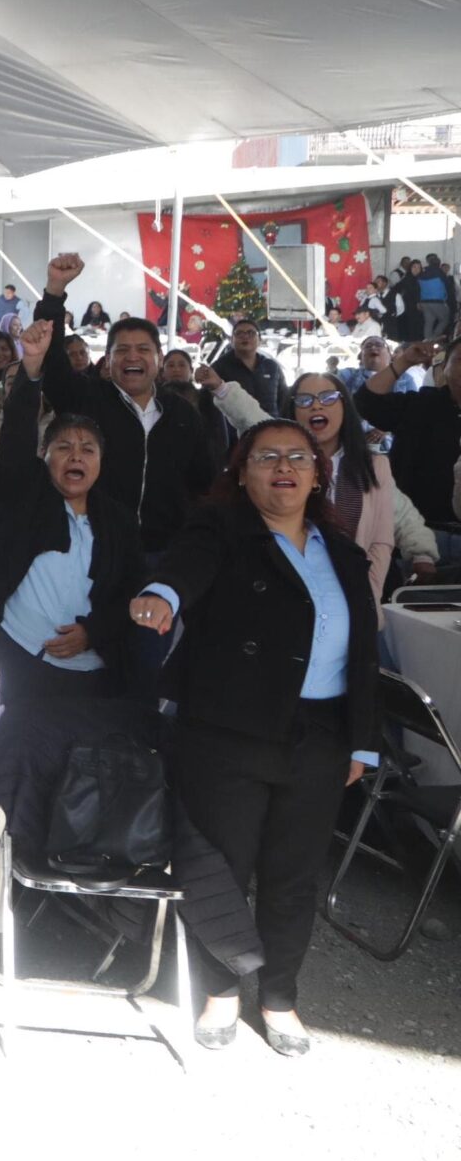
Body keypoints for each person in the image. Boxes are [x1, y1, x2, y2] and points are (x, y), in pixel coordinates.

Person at [129, 419, 380, 1056]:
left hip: (319, 737)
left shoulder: (342, 551)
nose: (284, 468)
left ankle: (280, 996)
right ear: (242, 473)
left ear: (318, 473)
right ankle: (221, 990)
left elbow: (364, 654)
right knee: (221, 866)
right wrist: (163, 593)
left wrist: (363, 740)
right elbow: (186, 566)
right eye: (266, 457)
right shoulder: (221, 530)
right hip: (228, 732)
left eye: (298, 456)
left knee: (294, 876)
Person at [0, 319, 142, 848]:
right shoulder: (23, 499)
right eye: (63, 447)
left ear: (101, 462)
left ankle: (76, 870)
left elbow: (133, 594)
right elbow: (17, 435)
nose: (75, 457)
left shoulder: (118, 520)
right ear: (45, 458)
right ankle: (11, 868)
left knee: (82, 781)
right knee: (19, 773)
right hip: (22, 668)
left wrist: (94, 633)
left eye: (87, 449)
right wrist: (29, 371)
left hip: (94, 679)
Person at [31, 254, 220, 552]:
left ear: (158, 358)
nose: (133, 357)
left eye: (143, 349)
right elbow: (51, 358)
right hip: (94, 549)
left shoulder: (183, 414)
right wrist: (55, 291)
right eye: (123, 350)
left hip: (164, 554)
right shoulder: (86, 399)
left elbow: (204, 484)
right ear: (108, 359)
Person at [206, 367, 429, 603]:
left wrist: (422, 554)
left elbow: (397, 516)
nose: (316, 406)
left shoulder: (371, 467)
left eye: (328, 398)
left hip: (353, 596)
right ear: (292, 410)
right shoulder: (279, 462)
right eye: (304, 400)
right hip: (285, 596)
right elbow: (251, 417)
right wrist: (222, 388)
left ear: (345, 406)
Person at [357, 336, 461, 528]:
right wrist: (404, 362)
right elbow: (367, 401)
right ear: (444, 368)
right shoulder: (422, 405)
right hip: (419, 531)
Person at [214, 320, 287, 416]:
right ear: (232, 340)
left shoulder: (272, 367)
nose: (245, 337)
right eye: (239, 333)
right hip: (236, 428)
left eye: (251, 333)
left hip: (271, 427)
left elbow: (284, 401)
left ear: (259, 340)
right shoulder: (219, 367)